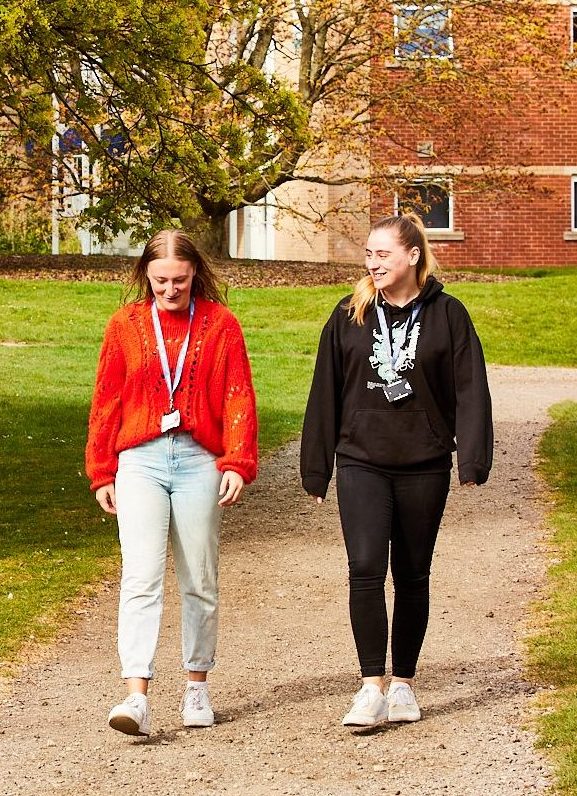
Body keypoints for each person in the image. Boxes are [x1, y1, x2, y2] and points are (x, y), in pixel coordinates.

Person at [300, 212, 492, 727]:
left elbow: (470, 388)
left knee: (411, 573)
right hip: (361, 459)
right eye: (368, 254)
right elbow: (325, 391)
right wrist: (316, 468)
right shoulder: (350, 314)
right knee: (364, 568)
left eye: (382, 253)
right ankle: (369, 686)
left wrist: (471, 458)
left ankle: (403, 682)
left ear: (412, 255)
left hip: (423, 463)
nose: (373, 263)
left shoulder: (449, 315)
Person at [86, 229, 258, 737]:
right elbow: (107, 399)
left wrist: (236, 461)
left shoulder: (221, 325)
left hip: (197, 457)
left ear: (194, 276)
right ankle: (136, 694)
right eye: (160, 281)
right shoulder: (125, 325)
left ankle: (197, 685)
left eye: (179, 281)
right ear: (146, 276)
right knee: (140, 577)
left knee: (199, 577)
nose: (169, 291)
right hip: (138, 458)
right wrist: (102, 470)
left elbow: (237, 394)